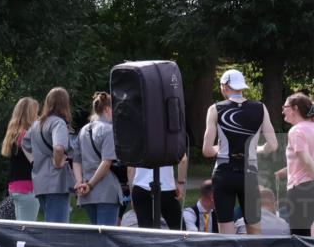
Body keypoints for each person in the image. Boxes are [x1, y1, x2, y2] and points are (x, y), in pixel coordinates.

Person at [201, 68, 278, 234]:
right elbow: (273, 145)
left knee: (226, 235)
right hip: (249, 173)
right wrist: (256, 149)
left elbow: (207, 150)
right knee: (255, 232)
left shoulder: (215, 109)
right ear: (242, 87)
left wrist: (220, 149)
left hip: (224, 173)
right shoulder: (260, 108)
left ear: (225, 86)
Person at [23, 87, 75, 223]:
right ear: (65, 104)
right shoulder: (58, 123)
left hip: (40, 181)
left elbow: (24, 144)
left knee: (49, 224)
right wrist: (57, 163)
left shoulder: (36, 124)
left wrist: (34, 161)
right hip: (56, 182)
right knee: (58, 229)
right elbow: (58, 147)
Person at [73, 91, 123, 225]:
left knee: (97, 237)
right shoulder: (108, 130)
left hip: (86, 194)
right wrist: (90, 185)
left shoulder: (83, 131)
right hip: (105, 191)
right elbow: (106, 163)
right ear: (107, 109)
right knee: (106, 239)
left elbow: (76, 160)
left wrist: (79, 182)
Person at [276, 91, 314, 236]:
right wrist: (285, 171)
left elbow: (306, 160)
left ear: (295, 108)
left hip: (301, 190)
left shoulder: (296, 131)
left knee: (300, 237)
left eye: (285, 106)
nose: (282, 110)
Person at [0, 97, 40, 221]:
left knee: (21, 226)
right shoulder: (25, 135)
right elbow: (35, 161)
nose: (38, 116)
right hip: (28, 187)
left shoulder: (14, 134)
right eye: (36, 112)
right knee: (27, 229)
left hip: (15, 187)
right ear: (30, 114)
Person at [129, 156, 188, 230]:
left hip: (140, 187)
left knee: (145, 232)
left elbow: (130, 167)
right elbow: (183, 160)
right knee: (179, 230)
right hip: (166, 188)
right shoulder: (171, 143)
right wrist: (180, 183)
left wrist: (132, 194)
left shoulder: (137, 143)